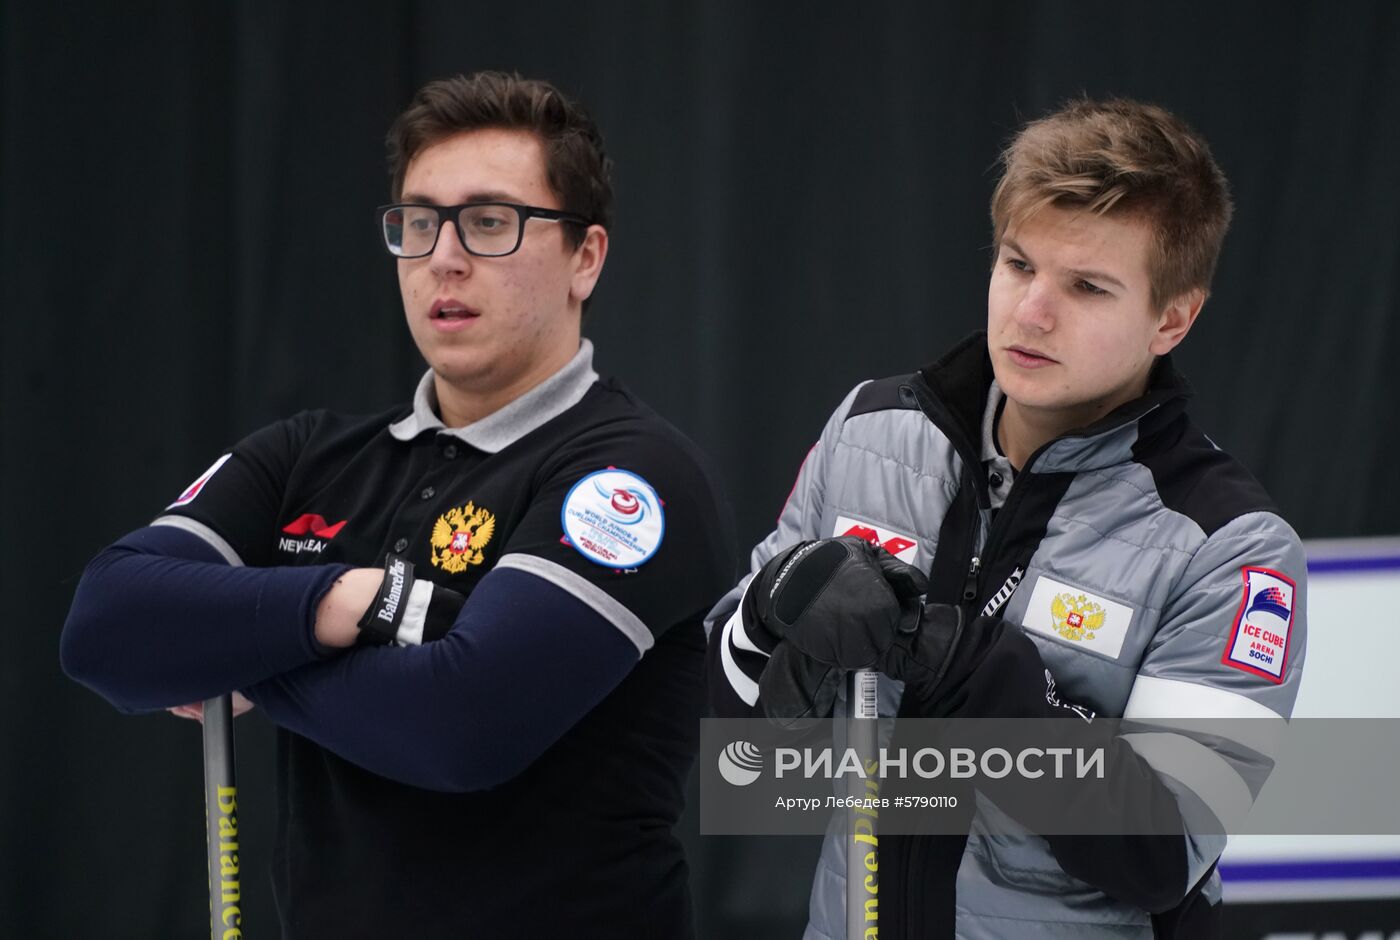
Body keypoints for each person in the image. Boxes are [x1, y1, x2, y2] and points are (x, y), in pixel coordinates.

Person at [61, 71, 735, 939]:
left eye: (490, 222)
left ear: (586, 258)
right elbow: (104, 624)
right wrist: (344, 602)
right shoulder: (311, 454)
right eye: (420, 223)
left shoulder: (633, 474)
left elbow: (461, 727)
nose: (443, 257)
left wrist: (239, 648)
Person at [707, 98, 1305, 938]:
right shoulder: (871, 431)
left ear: (1172, 318)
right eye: (1019, 265)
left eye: (1087, 287)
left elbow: (1164, 853)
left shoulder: (1231, 548)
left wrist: (980, 676)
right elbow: (728, 720)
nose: (1032, 312)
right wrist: (773, 609)